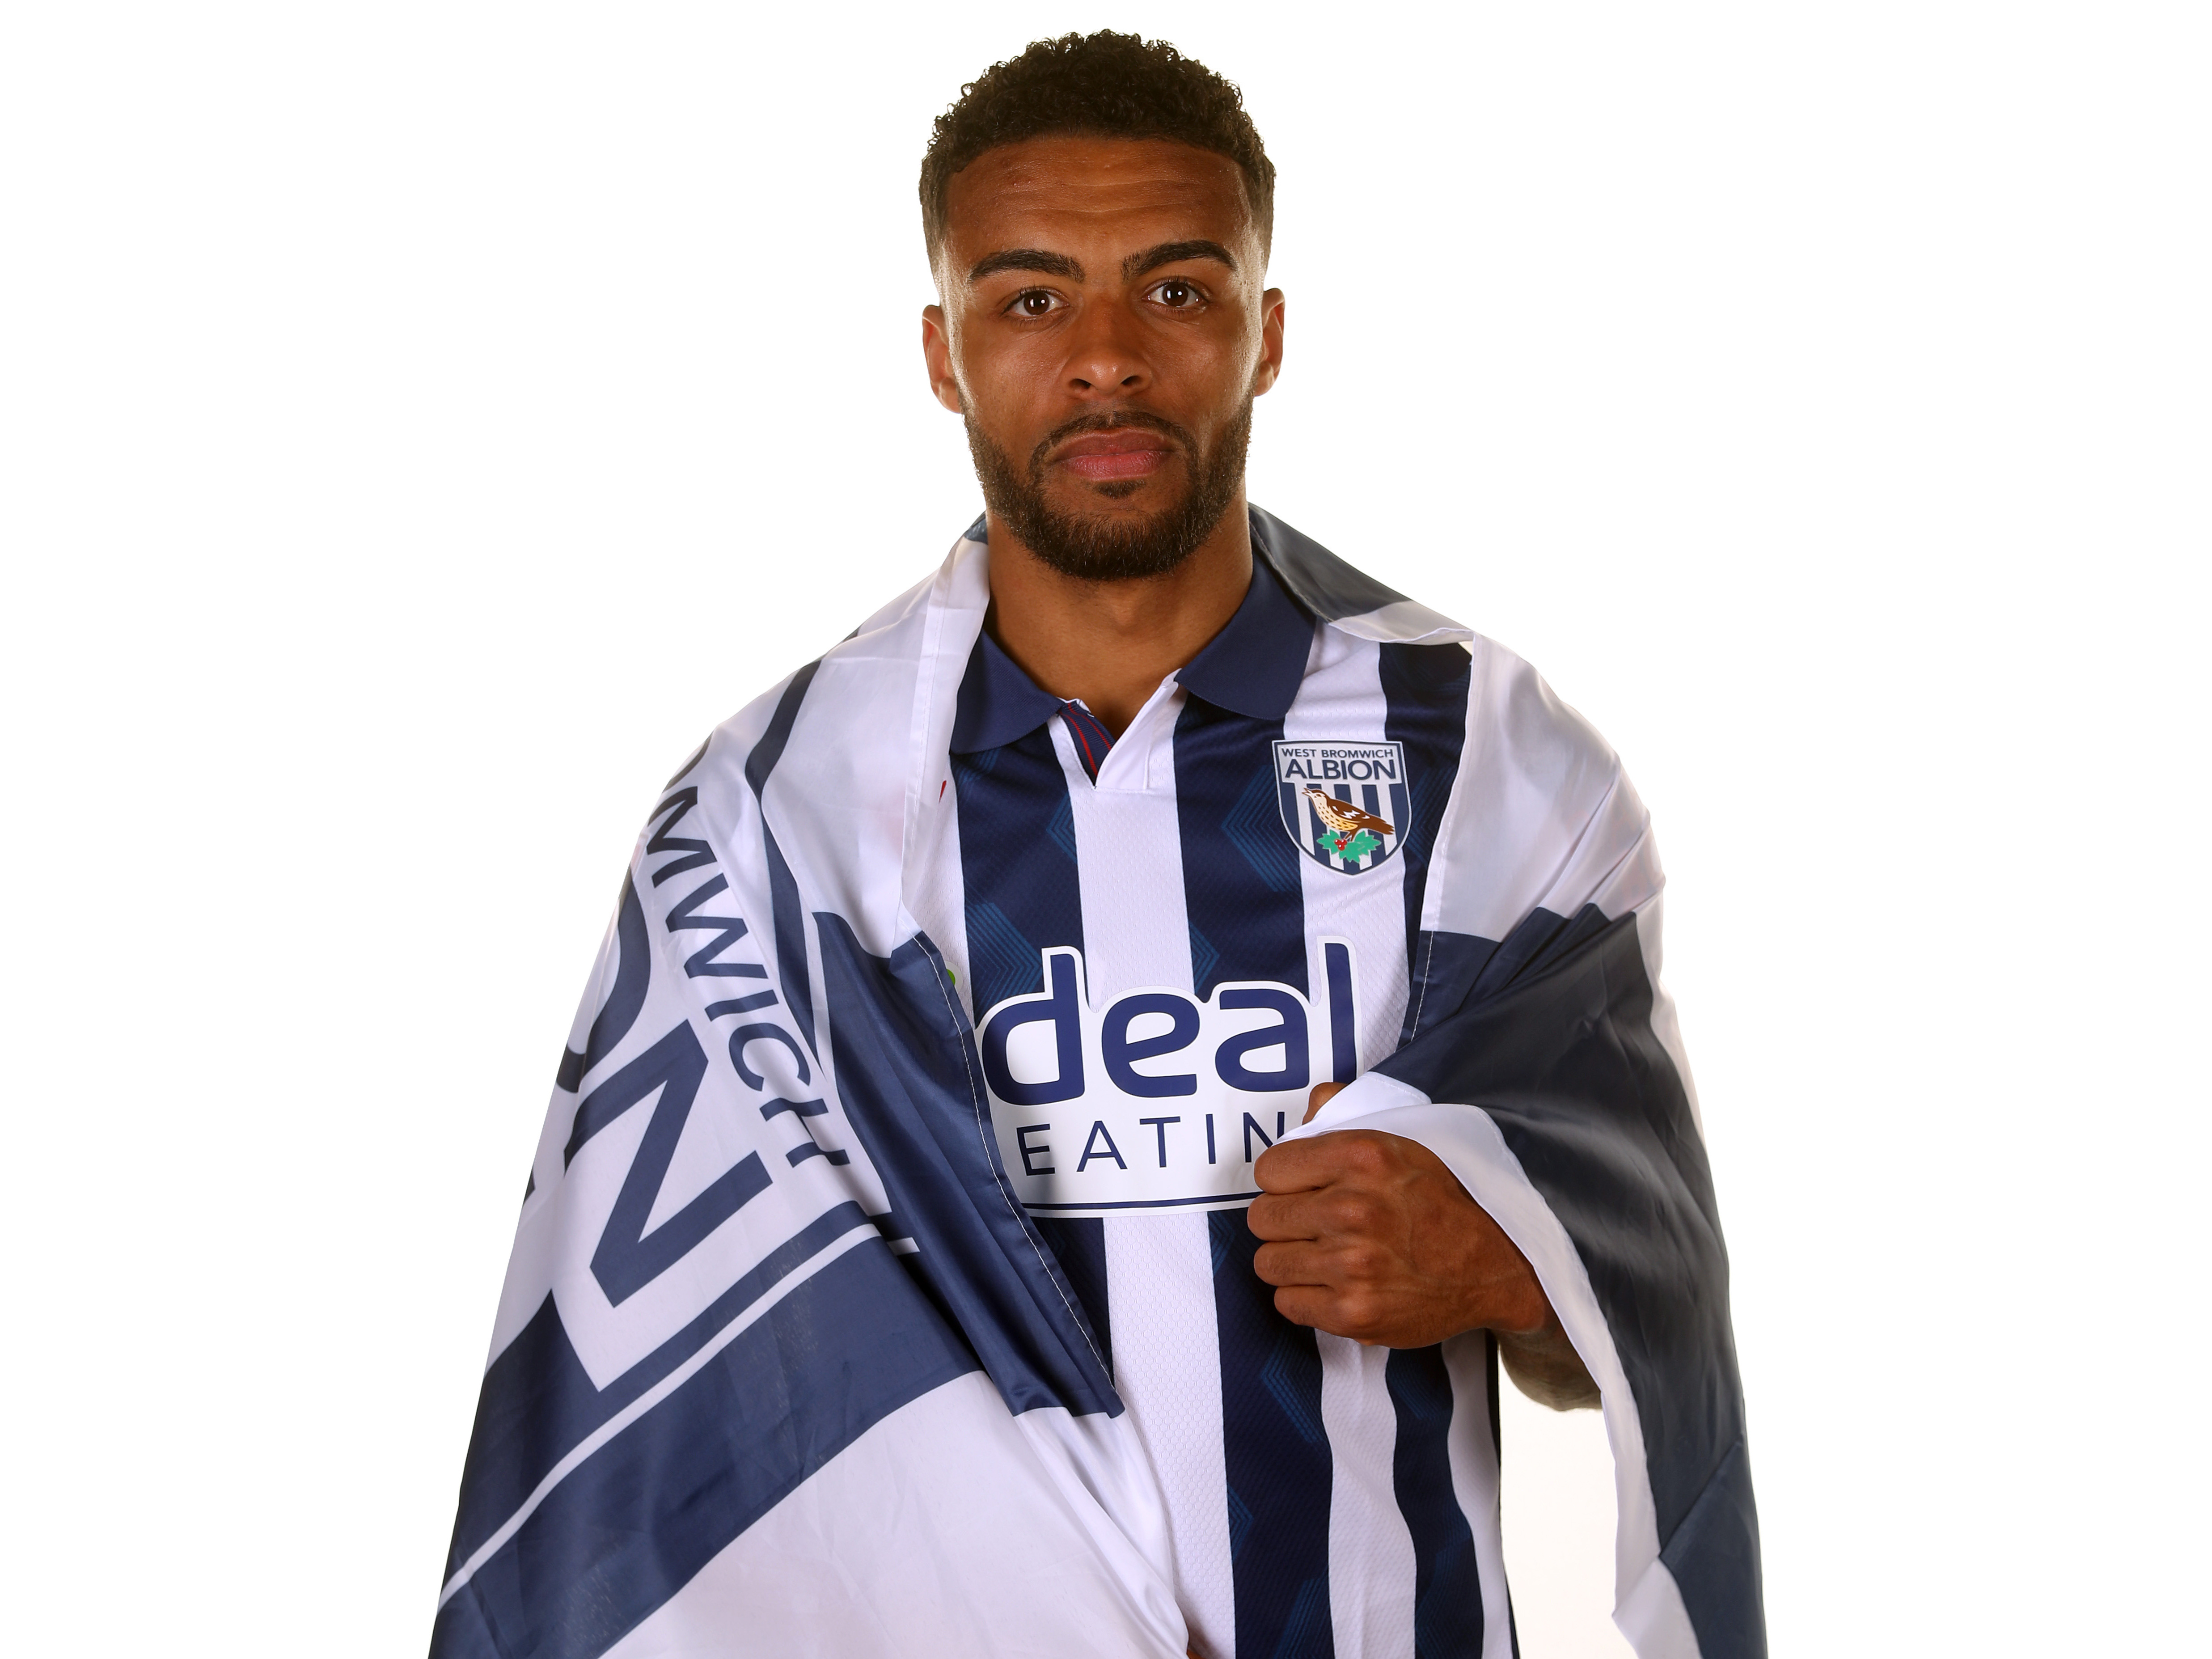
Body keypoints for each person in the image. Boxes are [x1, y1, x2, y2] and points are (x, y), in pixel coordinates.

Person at [431, 31, 1761, 1659]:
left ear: (1266, 336)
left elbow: (1642, 1306)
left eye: (1178, 292)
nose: (1109, 358)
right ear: (943, 349)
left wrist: (1503, 1261)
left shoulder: (1488, 760)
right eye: (1033, 299)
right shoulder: (777, 820)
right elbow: (658, 1417)